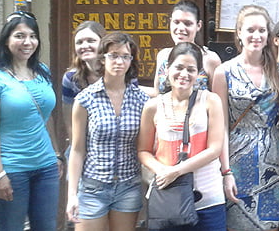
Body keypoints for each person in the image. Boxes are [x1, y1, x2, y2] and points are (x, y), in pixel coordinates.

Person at [0, 11, 64, 231]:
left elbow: (45, 117)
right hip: (12, 168)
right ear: (6, 40)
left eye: (32, 36)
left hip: (45, 167)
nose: (27, 42)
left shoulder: (42, 71)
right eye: (19, 36)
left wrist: (55, 154)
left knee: (46, 226)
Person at [212, 4, 279, 231]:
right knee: (238, 223)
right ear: (239, 33)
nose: (256, 36)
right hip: (237, 159)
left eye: (261, 30)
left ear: (269, 35)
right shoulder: (224, 72)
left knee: (271, 223)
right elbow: (221, 127)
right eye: (250, 30)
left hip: (273, 159)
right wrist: (225, 171)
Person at [138, 42, 227, 230]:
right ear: (168, 68)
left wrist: (176, 171)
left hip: (207, 194)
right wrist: (162, 170)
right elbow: (144, 150)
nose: (184, 74)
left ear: (198, 73)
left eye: (191, 69)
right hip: (168, 197)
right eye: (178, 67)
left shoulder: (210, 100)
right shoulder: (153, 106)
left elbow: (214, 149)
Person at [66, 32, 150, 229]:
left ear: (131, 61)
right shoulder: (85, 99)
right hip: (93, 187)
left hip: (128, 187)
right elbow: (77, 150)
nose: (119, 61)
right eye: (113, 55)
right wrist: (71, 195)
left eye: (125, 56)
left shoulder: (141, 100)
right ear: (103, 58)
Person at [155, 0, 222, 94]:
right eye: (176, 22)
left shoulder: (210, 59)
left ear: (198, 25)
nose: (181, 28)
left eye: (187, 23)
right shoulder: (163, 55)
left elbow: (218, 100)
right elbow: (156, 94)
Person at [61, 21, 107, 141]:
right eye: (79, 42)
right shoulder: (71, 78)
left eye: (91, 41)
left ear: (103, 43)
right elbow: (70, 122)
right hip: (84, 145)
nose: (84, 46)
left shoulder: (120, 72)